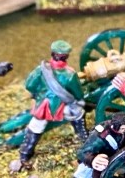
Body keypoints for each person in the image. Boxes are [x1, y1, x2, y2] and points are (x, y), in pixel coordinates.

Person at [18, 40, 87, 168]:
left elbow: (29, 85)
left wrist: (39, 94)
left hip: (43, 105)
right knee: (78, 113)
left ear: (52, 54)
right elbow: (78, 93)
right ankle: (84, 138)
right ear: (66, 57)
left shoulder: (40, 69)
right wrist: (80, 99)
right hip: (60, 106)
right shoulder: (70, 74)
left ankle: (25, 154)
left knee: (36, 126)